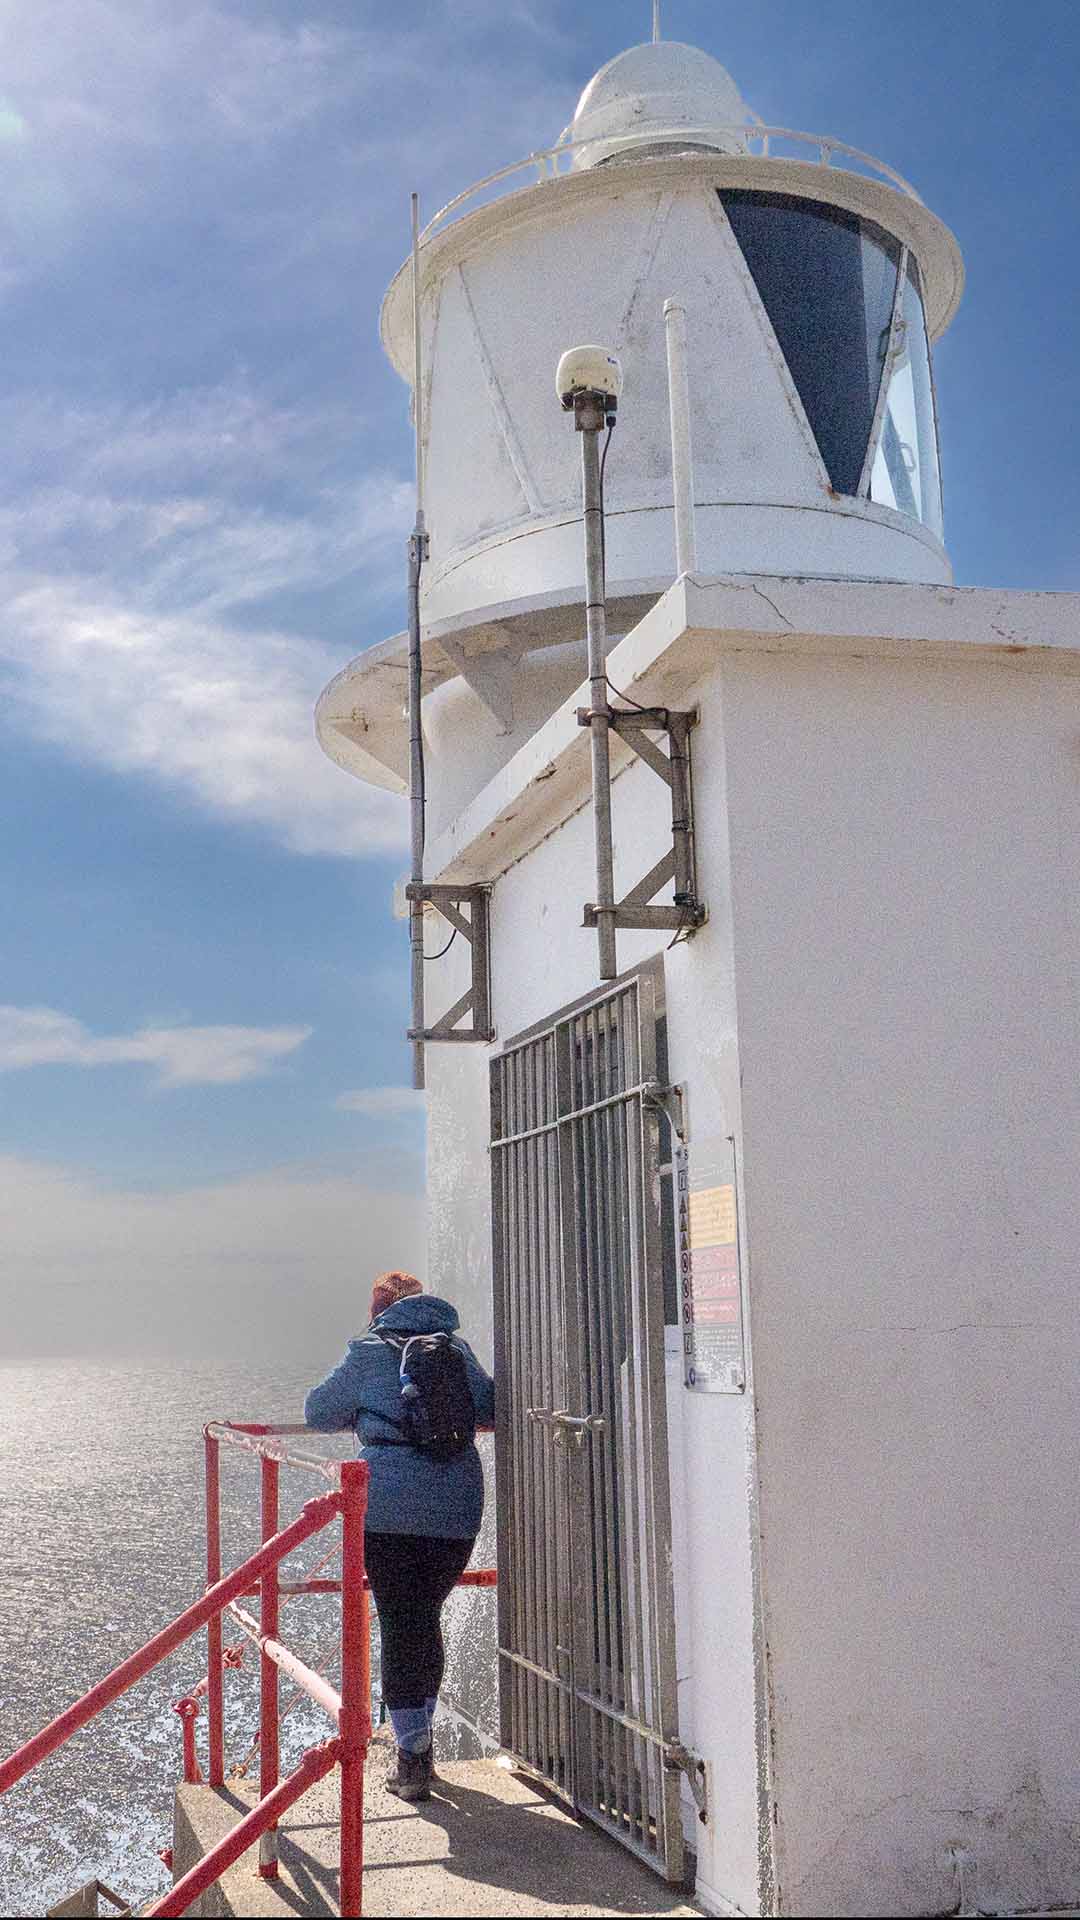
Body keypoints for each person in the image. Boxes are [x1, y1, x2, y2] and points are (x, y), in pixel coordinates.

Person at [304, 1270, 495, 1801]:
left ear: (379, 1309)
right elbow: (489, 1406)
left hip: (388, 1509)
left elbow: (317, 1412)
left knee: (399, 1621)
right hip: (456, 1505)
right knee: (424, 1617)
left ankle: (412, 1759)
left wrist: (370, 1412)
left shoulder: (368, 1350)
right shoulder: (455, 1350)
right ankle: (419, 1739)